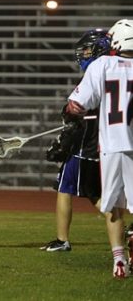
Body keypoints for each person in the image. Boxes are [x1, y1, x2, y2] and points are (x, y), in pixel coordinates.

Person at [66, 19, 133, 279]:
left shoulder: (103, 64)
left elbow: (77, 104)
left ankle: (119, 261)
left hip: (114, 145)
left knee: (114, 206)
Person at [41, 29, 110, 252]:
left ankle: (64, 241)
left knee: (90, 193)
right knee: (71, 187)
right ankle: (62, 239)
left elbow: (75, 108)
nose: (84, 53)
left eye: (88, 49)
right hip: (110, 141)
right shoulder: (120, 69)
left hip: (88, 143)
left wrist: (68, 133)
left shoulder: (98, 69)